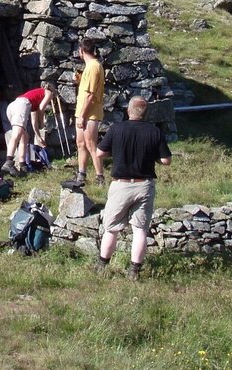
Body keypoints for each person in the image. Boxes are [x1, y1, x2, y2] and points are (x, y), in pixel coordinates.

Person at [93, 96, 171, 280]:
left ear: (128, 111)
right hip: (144, 186)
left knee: (111, 228)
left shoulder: (117, 129)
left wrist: (117, 151)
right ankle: (134, 270)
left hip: (121, 185)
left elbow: (99, 152)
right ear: (146, 114)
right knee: (140, 229)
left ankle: (102, 265)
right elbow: (166, 160)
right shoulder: (154, 132)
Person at [71, 38, 106, 187]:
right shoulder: (90, 67)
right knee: (81, 143)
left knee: (91, 144)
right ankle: (81, 173)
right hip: (82, 112)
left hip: (89, 113)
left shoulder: (93, 67)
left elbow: (91, 94)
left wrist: (83, 116)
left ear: (82, 51)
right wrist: (79, 80)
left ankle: (100, 176)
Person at [1, 86, 54, 176]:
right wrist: (42, 122)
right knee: (16, 134)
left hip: (12, 106)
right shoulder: (49, 93)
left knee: (24, 137)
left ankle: (23, 166)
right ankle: (8, 162)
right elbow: (41, 108)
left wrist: (38, 136)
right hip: (21, 106)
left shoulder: (34, 100)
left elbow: (34, 121)